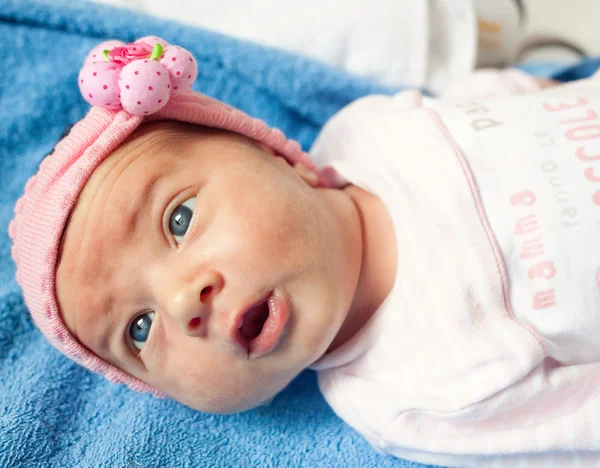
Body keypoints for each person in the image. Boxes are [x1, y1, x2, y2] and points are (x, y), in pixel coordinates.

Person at [9, 37, 600, 467]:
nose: (182, 300)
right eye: (139, 330)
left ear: (281, 159)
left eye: (180, 219)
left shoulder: (368, 130)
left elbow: (489, 101)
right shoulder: (409, 398)